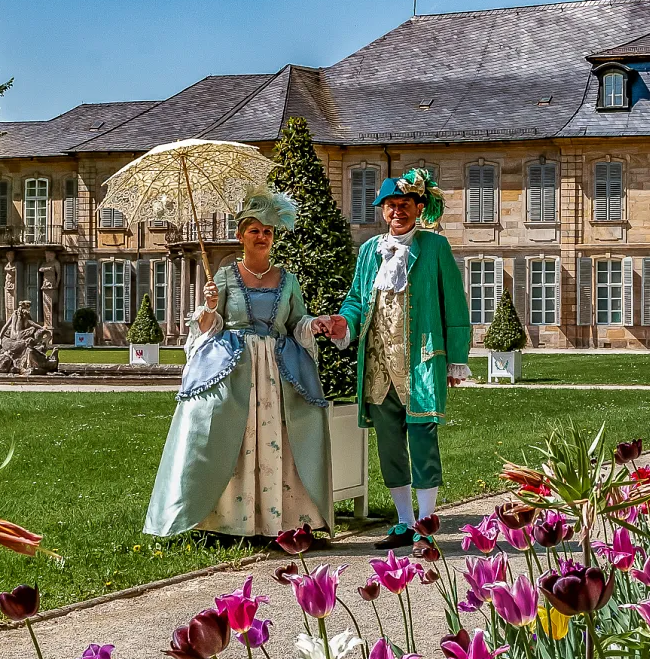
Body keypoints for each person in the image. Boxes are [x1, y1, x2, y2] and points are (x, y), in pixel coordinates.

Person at [143, 188, 333, 539]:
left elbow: (296, 322)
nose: (262, 237)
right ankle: (227, 520)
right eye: (254, 230)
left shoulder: (288, 280)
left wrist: (315, 324)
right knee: (234, 435)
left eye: (268, 231)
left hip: (276, 371)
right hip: (234, 367)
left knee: (277, 437)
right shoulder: (226, 277)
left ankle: (281, 519)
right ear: (240, 235)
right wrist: (210, 306)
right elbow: (210, 326)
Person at [313, 167, 471, 550]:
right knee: (388, 442)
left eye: (404, 204)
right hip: (378, 362)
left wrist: (456, 359)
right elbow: (355, 301)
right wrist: (342, 325)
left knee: (422, 436)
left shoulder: (434, 248)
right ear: (382, 210)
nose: (396, 211)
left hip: (420, 360)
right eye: (390, 205)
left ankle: (427, 521)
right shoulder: (370, 251)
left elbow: (455, 304)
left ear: (419, 207)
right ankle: (403, 522)